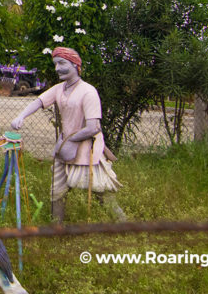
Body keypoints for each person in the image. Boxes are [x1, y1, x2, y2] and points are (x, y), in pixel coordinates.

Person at [10, 47, 124, 222]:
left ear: (75, 65)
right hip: (65, 150)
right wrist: (21, 116)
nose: (57, 69)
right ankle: (57, 228)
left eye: (62, 63)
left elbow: (93, 127)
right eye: (55, 64)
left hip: (87, 151)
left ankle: (123, 225)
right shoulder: (59, 89)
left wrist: (71, 140)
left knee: (102, 191)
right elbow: (40, 101)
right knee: (57, 190)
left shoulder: (88, 91)